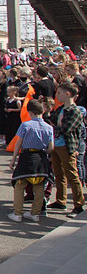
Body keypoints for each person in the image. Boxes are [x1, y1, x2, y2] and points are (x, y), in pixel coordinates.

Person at [7, 98, 54, 223]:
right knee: (39, 186)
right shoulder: (48, 127)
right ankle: (35, 213)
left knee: (20, 184)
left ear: (30, 112)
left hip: (27, 156)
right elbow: (51, 148)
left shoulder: (26, 125)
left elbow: (18, 143)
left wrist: (13, 159)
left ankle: (17, 213)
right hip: (41, 157)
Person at [47, 82, 85, 216]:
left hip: (66, 145)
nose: (57, 95)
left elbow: (66, 129)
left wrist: (54, 127)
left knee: (72, 175)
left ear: (68, 94)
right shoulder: (61, 108)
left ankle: (78, 204)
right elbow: (50, 119)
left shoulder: (74, 111)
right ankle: (60, 200)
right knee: (58, 174)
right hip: (56, 144)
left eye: (59, 93)